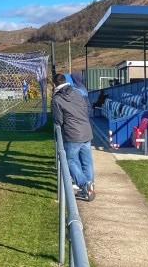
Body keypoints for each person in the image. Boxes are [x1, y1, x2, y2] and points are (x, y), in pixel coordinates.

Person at [51, 72, 95, 202]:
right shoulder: (78, 93)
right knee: (87, 161)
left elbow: (58, 120)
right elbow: (86, 110)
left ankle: (84, 185)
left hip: (73, 134)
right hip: (86, 131)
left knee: (70, 160)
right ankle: (90, 186)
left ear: (54, 84)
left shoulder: (57, 99)